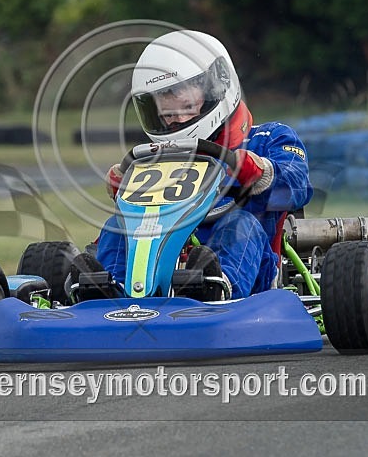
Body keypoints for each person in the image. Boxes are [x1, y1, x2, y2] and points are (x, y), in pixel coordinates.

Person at [73, 30, 313, 301]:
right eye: (163, 104)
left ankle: (217, 288)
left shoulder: (268, 138)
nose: (172, 112)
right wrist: (126, 188)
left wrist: (260, 173)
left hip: (255, 269)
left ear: (217, 85)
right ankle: (109, 294)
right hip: (169, 260)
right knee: (117, 226)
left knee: (238, 223)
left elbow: (296, 186)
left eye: (181, 98)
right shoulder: (155, 158)